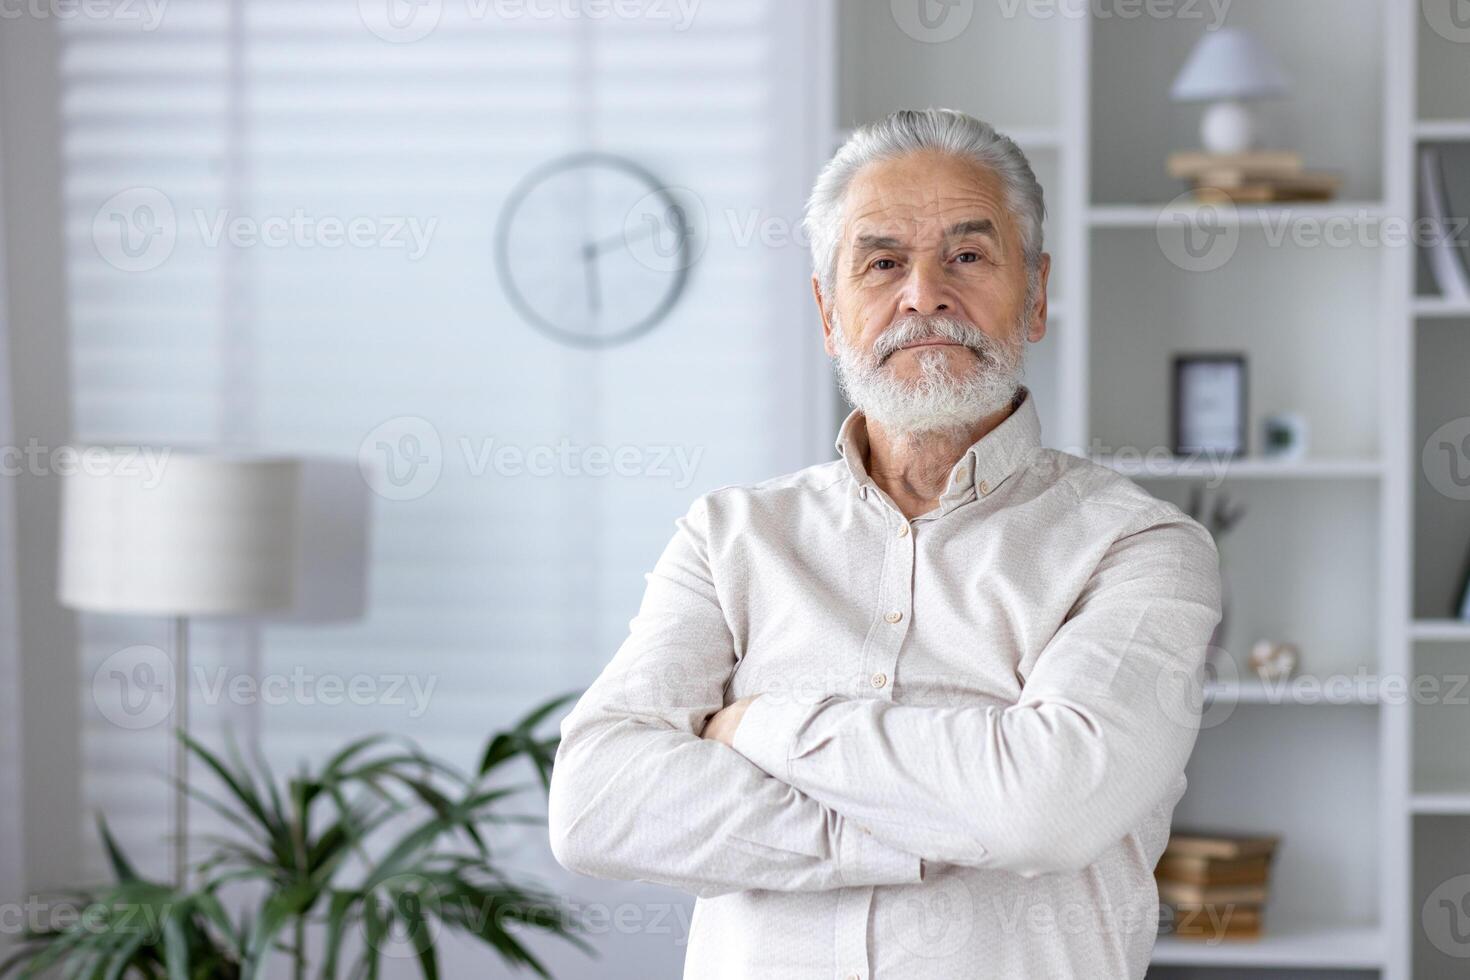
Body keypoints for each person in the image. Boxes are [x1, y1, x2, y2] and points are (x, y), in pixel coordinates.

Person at [547, 107, 1223, 980]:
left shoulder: (1140, 546)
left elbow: (1046, 811)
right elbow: (598, 805)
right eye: (882, 263)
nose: (924, 294)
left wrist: (761, 727)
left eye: (968, 256)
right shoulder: (727, 537)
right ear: (830, 313)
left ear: (1038, 294)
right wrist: (932, 821)